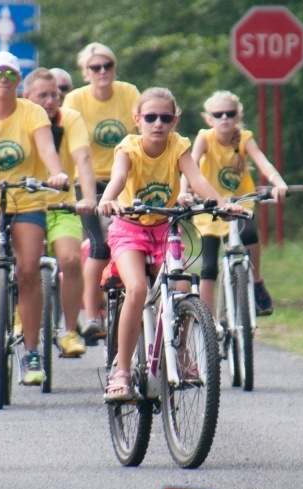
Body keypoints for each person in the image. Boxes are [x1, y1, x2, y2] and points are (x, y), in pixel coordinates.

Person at [97, 87, 242, 401]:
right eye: (150, 117)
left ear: (175, 120)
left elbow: (198, 179)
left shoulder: (178, 147)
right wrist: (108, 200)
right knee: (136, 289)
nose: (157, 124)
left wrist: (221, 203)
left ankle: (180, 356)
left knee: (181, 289)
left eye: (165, 117)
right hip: (130, 229)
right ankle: (121, 371)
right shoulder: (128, 148)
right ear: (138, 120)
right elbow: (118, 178)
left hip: (166, 227)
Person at [0, 51, 68, 386]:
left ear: (19, 81)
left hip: (27, 194)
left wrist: (57, 173)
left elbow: (47, 148)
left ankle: (32, 352)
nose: (4, 80)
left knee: (30, 269)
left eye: (10, 75)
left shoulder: (32, 112)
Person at [62, 43, 140, 343]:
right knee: (99, 245)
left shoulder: (129, 92)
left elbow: (139, 131)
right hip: (89, 181)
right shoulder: (75, 99)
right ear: (86, 72)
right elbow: (72, 145)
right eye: (95, 67)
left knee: (135, 238)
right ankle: (92, 316)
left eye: (108, 65)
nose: (103, 72)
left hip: (125, 179)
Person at [186, 90, 288, 316]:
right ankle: (207, 321)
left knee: (250, 234)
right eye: (218, 114)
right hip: (210, 208)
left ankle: (256, 281)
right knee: (209, 267)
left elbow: (263, 162)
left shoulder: (244, 139)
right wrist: (184, 192)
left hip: (240, 204)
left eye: (230, 114)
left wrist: (278, 183)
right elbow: (190, 167)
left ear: (238, 117)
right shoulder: (205, 138)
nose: (224, 118)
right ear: (209, 118)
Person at [23, 67, 96, 358]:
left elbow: (83, 158)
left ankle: (69, 331)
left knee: (71, 259)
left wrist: (88, 197)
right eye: (43, 95)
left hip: (62, 205)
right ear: (27, 97)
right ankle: (18, 316)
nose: (51, 101)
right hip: (25, 206)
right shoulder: (20, 117)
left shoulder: (71, 119)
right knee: (22, 264)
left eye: (55, 94)